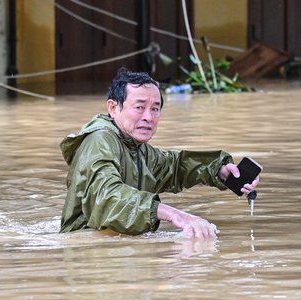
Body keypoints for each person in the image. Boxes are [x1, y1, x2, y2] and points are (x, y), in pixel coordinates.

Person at [59, 68, 260, 238]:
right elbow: (108, 196)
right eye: (139, 107)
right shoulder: (99, 140)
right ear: (113, 108)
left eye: (155, 109)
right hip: (87, 252)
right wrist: (174, 214)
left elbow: (174, 167)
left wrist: (220, 170)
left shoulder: (139, 149)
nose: (148, 117)